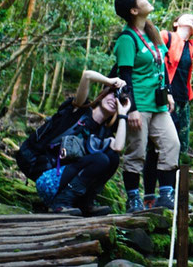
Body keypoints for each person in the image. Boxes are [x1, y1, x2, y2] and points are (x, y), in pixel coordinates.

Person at [142, 13, 193, 207]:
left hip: (183, 102)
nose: (192, 19)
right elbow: (153, 59)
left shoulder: (192, 46)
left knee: (176, 148)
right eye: (188, 17)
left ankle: (168, 194)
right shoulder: (166, 36)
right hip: (162, 99)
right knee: (154, 148)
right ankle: (148, 196)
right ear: (176, 23)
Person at [113, 0, 180, 213]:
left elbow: (162, 65)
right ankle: (133, 200)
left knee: (172, 144)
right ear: (133, 10)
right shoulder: (126, 39)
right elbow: (125, 76)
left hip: (159, 104)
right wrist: (130, 109)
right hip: (139, 104)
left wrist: (168, 92)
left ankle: (166, 197)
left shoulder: (152, 32)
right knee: (137, 152)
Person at [32, 70, 130, 216]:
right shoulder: (79, 110)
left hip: (68, 184)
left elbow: (118, 147)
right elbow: (86, 75)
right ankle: (60, 203)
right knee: (100, 159)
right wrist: (110, 82)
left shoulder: (104, 132)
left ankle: (85, 203)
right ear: (102, 94)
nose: (114, 99)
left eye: (118, 99)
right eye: (111, 94)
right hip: (49, 178)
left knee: (112, 157)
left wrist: (123, 113)